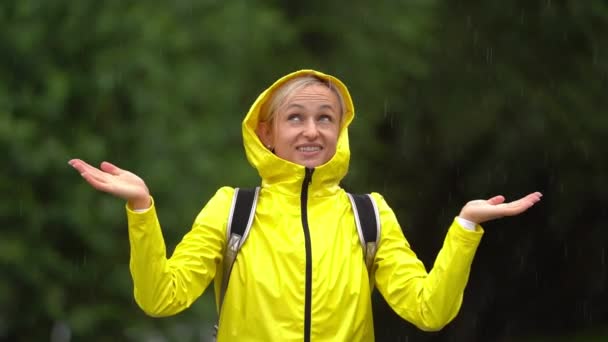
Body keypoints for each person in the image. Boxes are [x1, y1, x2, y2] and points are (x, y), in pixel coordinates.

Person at [69, 69, 542, 341]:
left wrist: (465, 227)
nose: (312, 131)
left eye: (325, 118)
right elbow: (159, 298)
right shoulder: (231, 209)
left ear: (341, 130)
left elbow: (429, 311)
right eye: (295, 118)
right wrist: (141, 210)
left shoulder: (370, 214)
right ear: (267, 134)